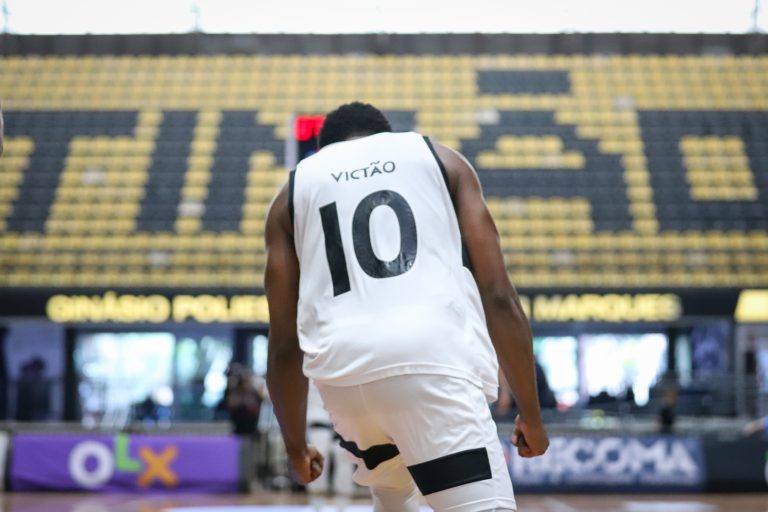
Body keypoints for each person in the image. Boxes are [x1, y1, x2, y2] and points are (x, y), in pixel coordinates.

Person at [265, 101, 548, 512]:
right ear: (387, 135)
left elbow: (283, 344)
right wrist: (532, 416)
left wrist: (294, 447)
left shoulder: (291, 191)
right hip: (430, 366)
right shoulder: (440, 159)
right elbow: (498, 295)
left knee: (394, 496)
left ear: (324, 149)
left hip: (344, 382)